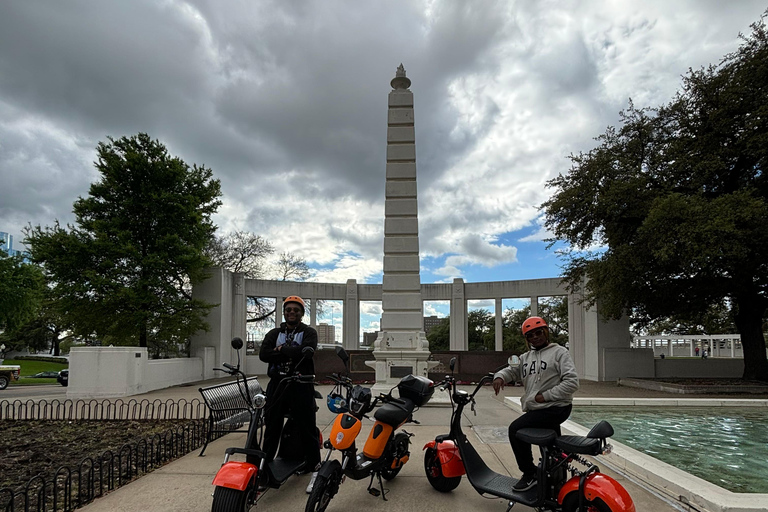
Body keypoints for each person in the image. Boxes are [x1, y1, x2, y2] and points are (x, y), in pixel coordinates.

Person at [492, 316, 579, 492]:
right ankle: (555, 482)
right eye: (530, 335)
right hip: (540, 408)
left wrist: (545, 396)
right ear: (527, 339)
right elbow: (512, 369)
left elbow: (572, 382)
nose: (535, 337)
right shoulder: (525, 357)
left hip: (556, 407)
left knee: (515, 430)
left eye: (538, 333)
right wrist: (500, 376)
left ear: (546, 332)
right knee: (552, 445)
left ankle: (529, 473)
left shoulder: (560, 352)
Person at [259, 295, 320, 492]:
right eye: (288, 310)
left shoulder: (309, 332)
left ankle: (313, 463)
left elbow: (306, 351)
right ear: (284, 313)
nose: (292, 313)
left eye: (296, 310)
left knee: (306, 424)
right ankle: (266, 463)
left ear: (302, 313)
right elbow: (264, 354)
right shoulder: (274, 332)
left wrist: (281, 349)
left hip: (301, 384)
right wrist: (290, 351)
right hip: (278, 384)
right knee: (272, 425)